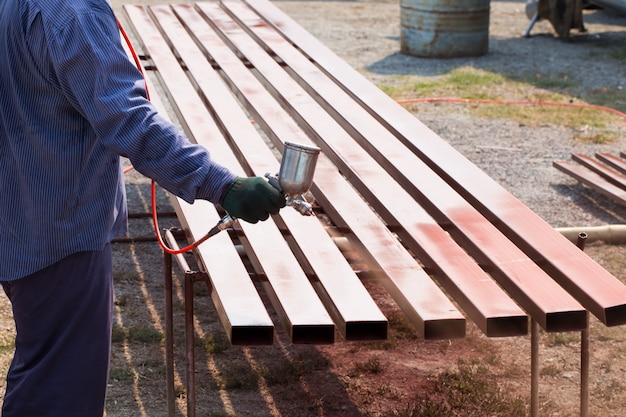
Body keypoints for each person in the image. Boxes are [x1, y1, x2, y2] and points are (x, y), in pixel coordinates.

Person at [0, 0, 285, 415]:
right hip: (61, 232)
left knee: (42, 369)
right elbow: (129, 121)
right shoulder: (70, 9)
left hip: (22, 220)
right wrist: (223, 185)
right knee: (59, 389)